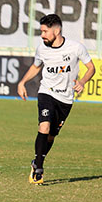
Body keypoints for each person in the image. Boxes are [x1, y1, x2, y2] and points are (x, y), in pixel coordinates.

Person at [17, 13, 95, 184]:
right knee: (44, 126)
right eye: (41, 31)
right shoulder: (42, 49)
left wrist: (82, 81)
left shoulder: (76, 48)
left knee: (51, 136)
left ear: (57, 30)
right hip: (47, 92)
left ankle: (37, 161)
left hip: (65, 99)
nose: (42, 35)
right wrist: (22, 82)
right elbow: (36, 67)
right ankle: (38, 168)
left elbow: (91, 68)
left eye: (45, 31)